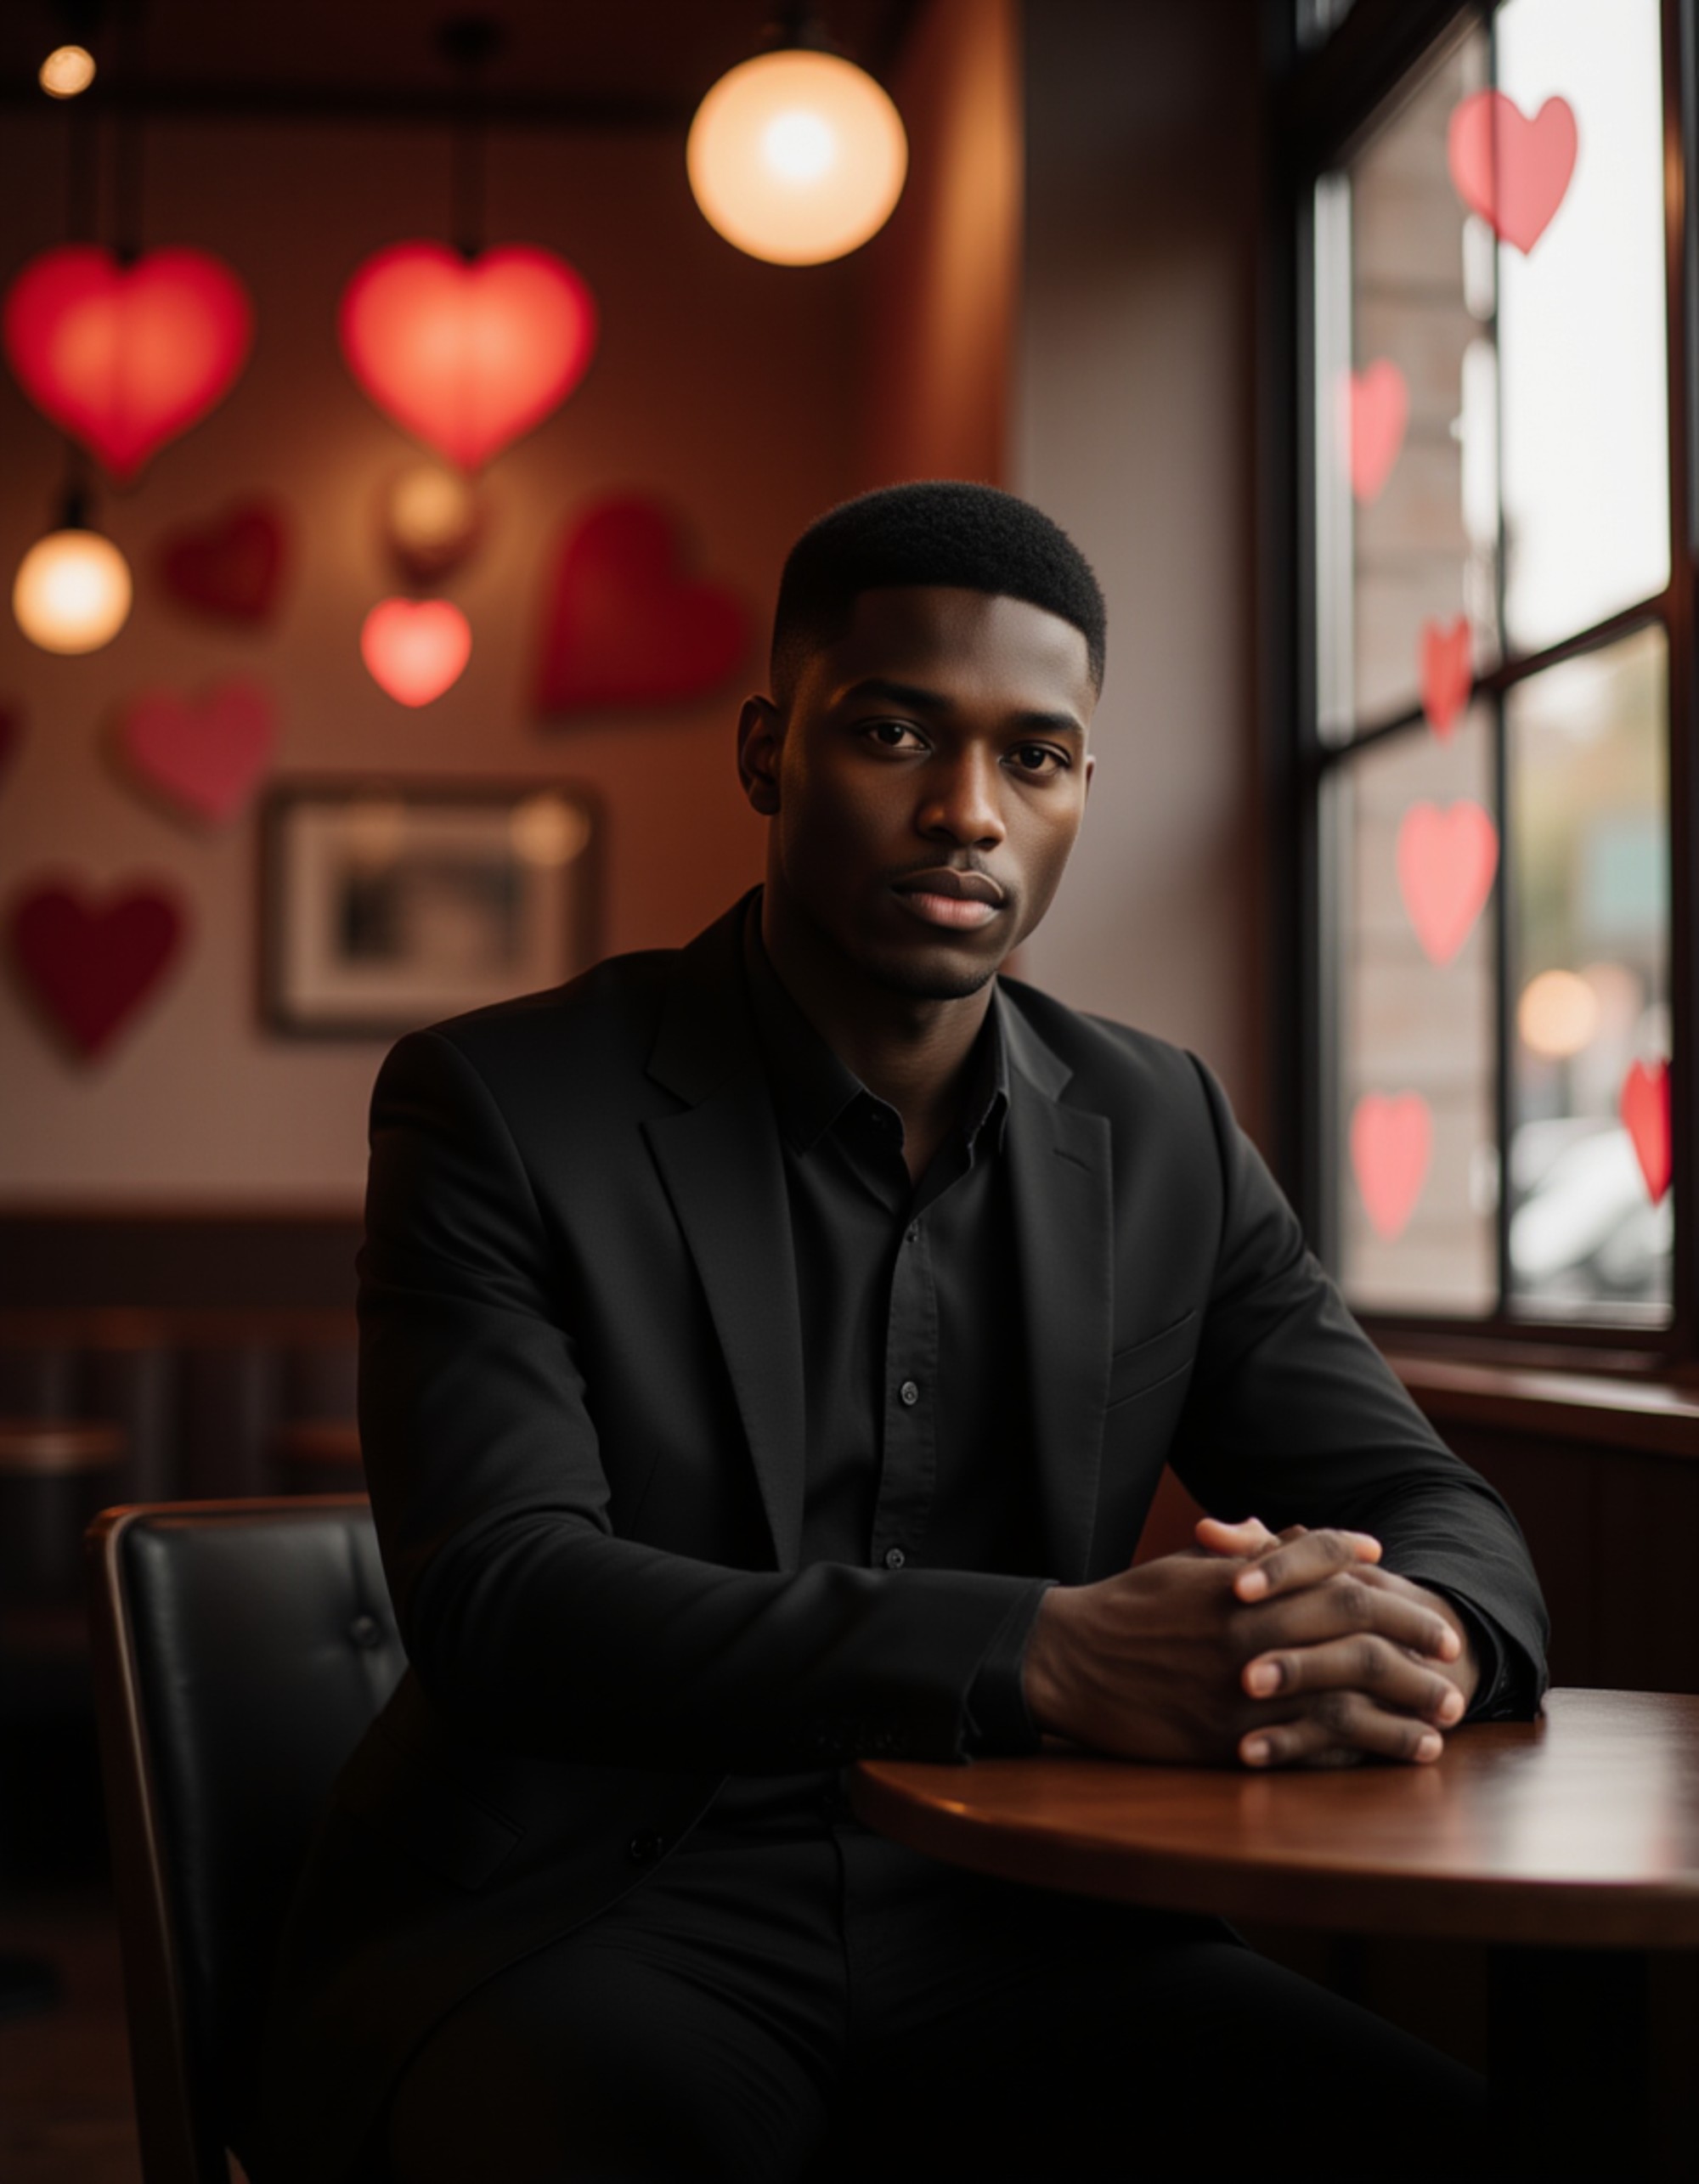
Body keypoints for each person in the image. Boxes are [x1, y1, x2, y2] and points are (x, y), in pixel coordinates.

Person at [255, 482, 1547, 2184]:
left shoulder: (1160, 1125)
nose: (966, 813)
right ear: (764, 750)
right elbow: (504, 1590)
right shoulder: (499, 1100)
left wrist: (1418, 1634)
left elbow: (1432, 1504)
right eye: (893, 731)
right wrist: (1040, 1650)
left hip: (1036, 1913)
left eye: (1037, 755)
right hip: (593, 1909)